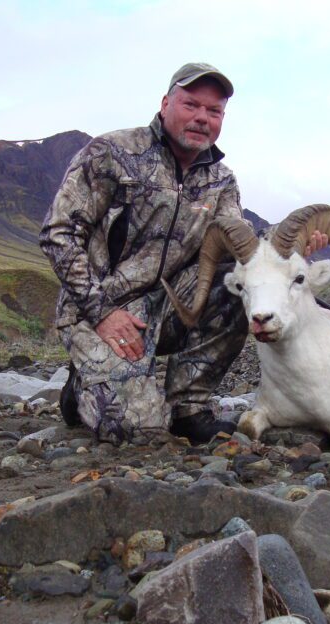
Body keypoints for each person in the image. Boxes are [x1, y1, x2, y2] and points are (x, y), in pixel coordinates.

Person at [40, 63, 250, 445]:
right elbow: (58, 233)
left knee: (238, 280)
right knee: (138, 430)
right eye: (191, 105)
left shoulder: (221, 181)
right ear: (166, 103)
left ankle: (189, 405)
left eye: (214, 111)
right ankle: (79, 389)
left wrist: (292, 249)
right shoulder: (112, 153)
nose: (202, 118)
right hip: (99, 307)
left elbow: (239, 245)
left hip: (169, 303)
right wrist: (101, 311)